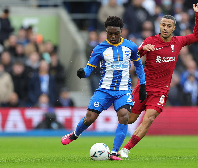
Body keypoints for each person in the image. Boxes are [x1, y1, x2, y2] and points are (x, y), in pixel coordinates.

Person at [118, 3, 198, 158]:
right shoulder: (150, 40)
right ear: (160, 25)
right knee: (129, 120)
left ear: (173, 28)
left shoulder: (178, 42)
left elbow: (196, 36)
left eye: (168, 26)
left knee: (148, 119)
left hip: (160, 92)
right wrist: (143, 49)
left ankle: (126, 149)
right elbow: (134, 57)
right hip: (143, 88)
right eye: (163, 24)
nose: (165, 28)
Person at [61, 16, 146, 161]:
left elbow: (138, 65)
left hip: (123, 91)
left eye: (116, 33)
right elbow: (89, 68)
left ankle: (113, 153)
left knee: (124, 116)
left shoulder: (130, 46)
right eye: (110, 33)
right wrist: (83, 73)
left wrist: (143, 84)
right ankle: (74, 134)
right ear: (106, 32)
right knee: (90, 118)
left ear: (121, 31)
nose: (113, 36)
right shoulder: (99, 49)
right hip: (104, 90)